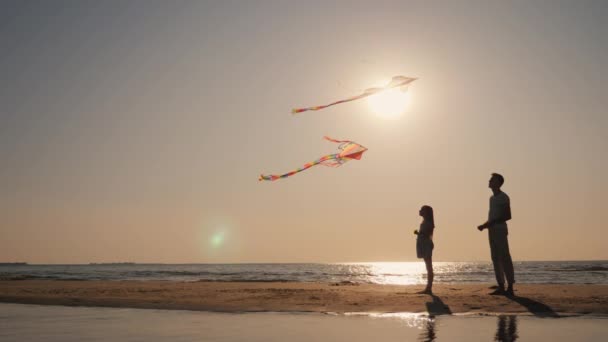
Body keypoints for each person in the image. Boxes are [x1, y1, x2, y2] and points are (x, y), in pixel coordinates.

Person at [477, 173, 515, 296]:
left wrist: (491, 223)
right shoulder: (492, 198)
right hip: (492, 230)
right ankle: (501, 286)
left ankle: (510, 286)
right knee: (495, 258)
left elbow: (507, 216)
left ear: (498, 183)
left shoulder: (503, 197)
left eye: (492, 180)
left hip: (500, 230)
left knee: (504, 257)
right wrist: (484, 225)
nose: (489, 181)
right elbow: (492, 216)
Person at [415, 205, 435, 294]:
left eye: (422, 210)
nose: (420, 211)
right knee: (428, 266)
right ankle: (428, 287)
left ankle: (429, 288)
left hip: (426, 244)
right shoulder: (425, 221)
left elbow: (427, 234)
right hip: (424, 244)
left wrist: (419, 233)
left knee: (429, 266)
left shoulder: (429, 222)